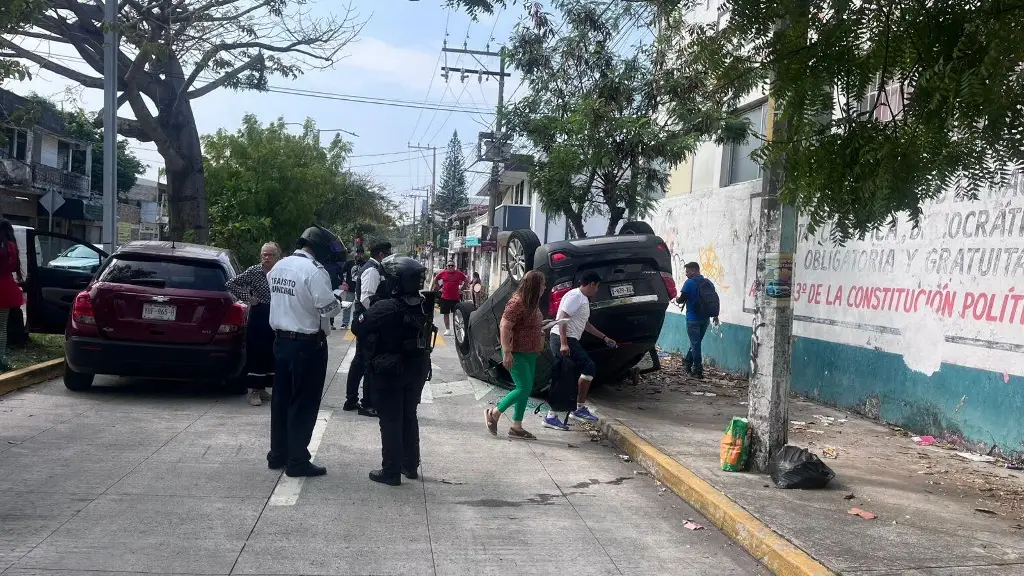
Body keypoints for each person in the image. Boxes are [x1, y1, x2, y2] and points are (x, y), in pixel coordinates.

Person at [267, 225, 345, 477]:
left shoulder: (279, 266)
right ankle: (297, 460)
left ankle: (277, 454)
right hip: (307, 345)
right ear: (318, 247)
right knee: (304, 403)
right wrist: (339, 300)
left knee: (281, 399)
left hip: (281, 342)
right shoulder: (314, 271)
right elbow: (327, 308)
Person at [353, 256, 435, 486]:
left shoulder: (385, 307)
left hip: (390, 370)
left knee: (390, 418)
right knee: (409, 415)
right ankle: (409, 465)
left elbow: (358, 327)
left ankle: (390, 470)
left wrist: (366, 308)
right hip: (416, 368)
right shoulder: (423, 304)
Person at [544, 271, 616, 430]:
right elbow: (562, 319)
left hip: (569, 339)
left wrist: (604, 337)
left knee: (567, 376)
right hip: (563, 339)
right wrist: (563, 343)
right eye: (596, 287)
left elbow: (585, 324)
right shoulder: (576, 296)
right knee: (586, 368)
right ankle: (577, 408)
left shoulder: (581, 299)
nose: (596, 290)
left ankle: (555, 415)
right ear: (591, 284)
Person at [485, 270, 545, 439]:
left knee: (526, 389)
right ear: (534, 286)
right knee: (523, 388)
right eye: (542, 285)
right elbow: (504, 326)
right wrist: (507, 353)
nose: (544, 288)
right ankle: (494, 413)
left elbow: (527, 324)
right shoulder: (517, 302)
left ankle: (517, 426)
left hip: (530, 352)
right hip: (516, 352)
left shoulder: (532, 302)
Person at [225, 242, 282, 406]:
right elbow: (231, 283)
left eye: (270, 254)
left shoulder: (281, 272)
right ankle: (254, 391)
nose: (266, 257)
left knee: (272, 351)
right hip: (259, 313)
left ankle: (264, 388)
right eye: (264, 254)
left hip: (277, 313)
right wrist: (248, 298)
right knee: (257, 350)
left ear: (277, 257)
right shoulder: (254, 271)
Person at [344, 240, 393, 417]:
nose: (389, 257)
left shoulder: (374, 268)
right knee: (368, 363)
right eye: (388, 253)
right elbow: (367, 298)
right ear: (381, 254)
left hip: (366, 320)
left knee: (359, 361)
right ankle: (366, 404)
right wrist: (382, 313)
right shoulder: (372, 270)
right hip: (369, 322)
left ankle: (350, 400)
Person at [674, 261, 720, 379]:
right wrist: (715, 315)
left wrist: (677, 299)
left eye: (688, 271)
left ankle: (698, 370)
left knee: (695, 345)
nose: (686, 274)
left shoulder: (689, 283)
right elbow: (712, 300)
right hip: (705, 319)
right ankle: (688, 363)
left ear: (694, 270)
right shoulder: (708, 282)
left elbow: (682, 298)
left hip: (693, 319)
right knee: (696, 343)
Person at [0, 220, 24, 371]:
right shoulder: (10, 246)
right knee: (1, 327)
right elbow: (14, 266)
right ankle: (0, 359)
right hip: (6, 287)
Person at [431, 261, 467, 336]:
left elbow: (466, 280)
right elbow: (435, 279)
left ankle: (456, 329)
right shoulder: (443, 273)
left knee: (456, 314)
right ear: (447, 266)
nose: (450, 267)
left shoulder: (459, 274)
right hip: (445, 297)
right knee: (446, 314)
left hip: (455, 298)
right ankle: (447, 330)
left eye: (452, 265)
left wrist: (462, 289)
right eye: (449, 265)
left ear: (455, 266)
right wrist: (439, 288)